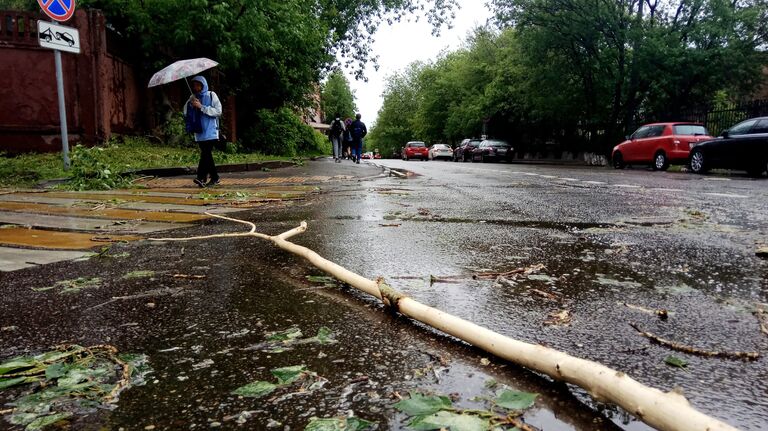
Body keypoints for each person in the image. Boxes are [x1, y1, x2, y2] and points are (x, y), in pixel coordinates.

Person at [184, 76, 222, 187]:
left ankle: (203, 177)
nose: (196, 87)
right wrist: (191, 105)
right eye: (194, 85)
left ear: (203, 85)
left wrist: (202, 107)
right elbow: (185, 112)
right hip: (199, 131)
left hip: (211, 131)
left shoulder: (211, 95)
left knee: (206, 154)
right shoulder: (193, 97)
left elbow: (218, 111)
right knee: (206, 155)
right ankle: (209, 178)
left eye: (198, 85)